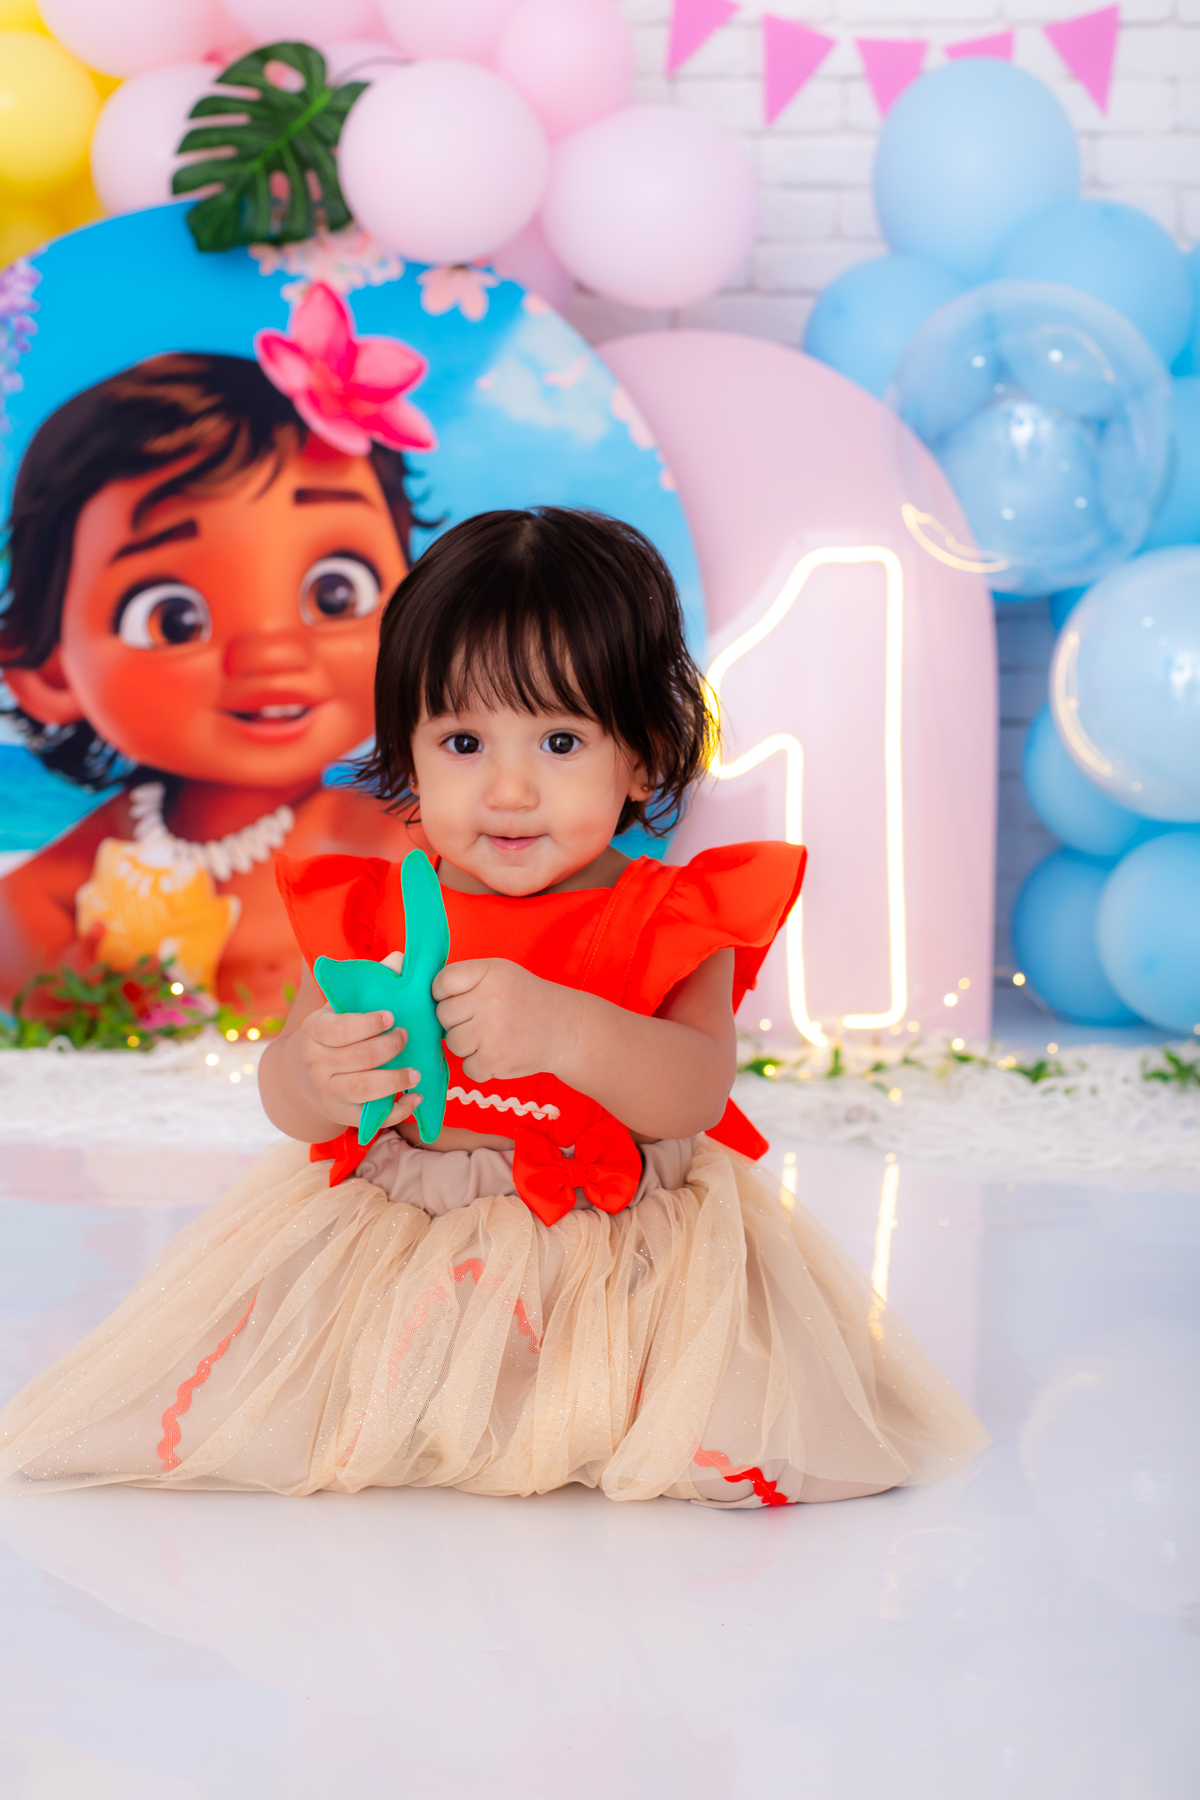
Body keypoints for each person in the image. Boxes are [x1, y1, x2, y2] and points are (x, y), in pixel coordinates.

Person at [0, 508, 989, 1505]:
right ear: (409, 756)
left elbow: (696, 1092)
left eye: (560, 741)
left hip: (615, 1251)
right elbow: (290, 1098)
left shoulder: (667, 918)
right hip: (407, 1236)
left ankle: (585, 1407)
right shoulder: (375, 911)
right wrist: (314, 1073)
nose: (509, 790)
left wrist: (569, 1031)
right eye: (464, 741)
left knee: (711, 1426)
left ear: (643, 756)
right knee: (285, 1405)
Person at [0, 347, 428, 1018]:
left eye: (337, 592)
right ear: (47, 670)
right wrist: (76, 997)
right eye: (173, 619)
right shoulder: (50, 898)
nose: (273, 652)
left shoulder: (415, 852)